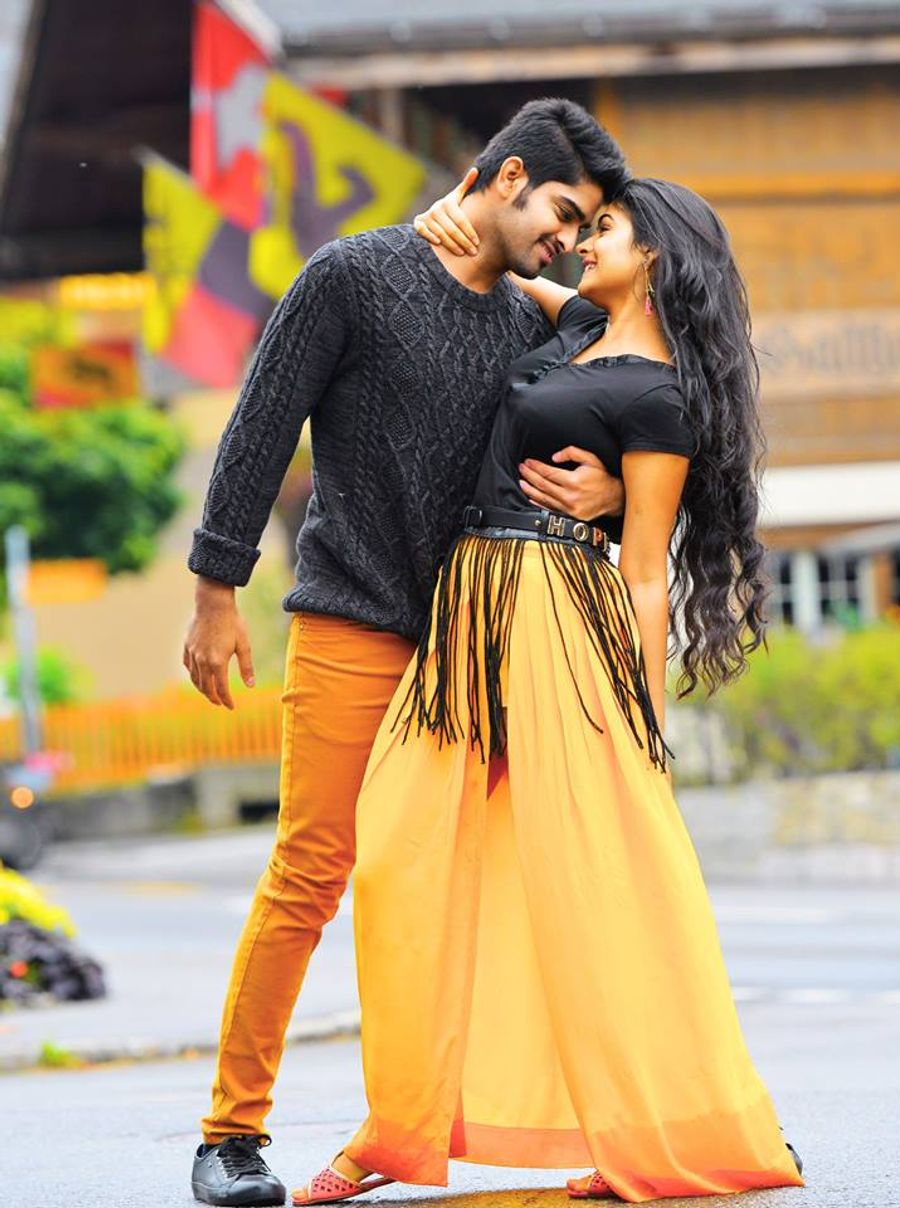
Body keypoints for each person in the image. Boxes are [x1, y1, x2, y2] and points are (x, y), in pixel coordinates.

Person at [289, 172, 806, 1205]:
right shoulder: (575, 327)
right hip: (470, 608)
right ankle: (399, 1126)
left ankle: (662, 1123)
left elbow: (647, 568)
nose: (581, 241)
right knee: (398, 851)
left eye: (604, 228)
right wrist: (451, 207)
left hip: (561, 615)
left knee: (599, 878)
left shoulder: (659, 396)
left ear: (655, 255)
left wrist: (647, 723)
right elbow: (492, 253)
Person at [183, 99, 631, 1207]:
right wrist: (215, 590)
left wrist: (612, 496)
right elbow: (259, 424)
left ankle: (641, 1114)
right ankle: (230, 1136)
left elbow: (623, 343)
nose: (565, 240)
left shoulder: (530, 323)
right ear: (507, 174)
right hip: (354, 620)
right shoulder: (352, 276)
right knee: (311, 871)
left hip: (479, 650)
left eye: (581, 230)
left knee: (538, 878)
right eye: (560, 213)